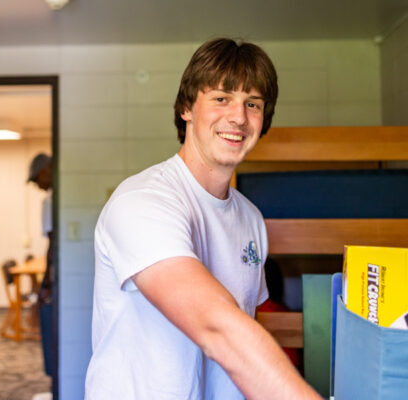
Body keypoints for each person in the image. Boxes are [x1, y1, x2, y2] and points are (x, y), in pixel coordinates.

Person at [85, 38, 321, 399]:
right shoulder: (142, 201)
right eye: (221, 98)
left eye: (252, 104)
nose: (238, 117)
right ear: (186, 108)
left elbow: (244, 327)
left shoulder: (251, 219)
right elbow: (217, 327)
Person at [27, 152, 55, 377]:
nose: (37, 185)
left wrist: (47, 282)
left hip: (56, 280)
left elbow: (53, 244)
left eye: (36, 179)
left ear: (46, 170)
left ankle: (53, 379)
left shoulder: (50, 200)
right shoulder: (58, 195)